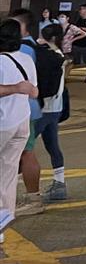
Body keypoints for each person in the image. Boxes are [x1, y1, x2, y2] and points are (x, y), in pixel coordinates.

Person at [0, 19, 38, 237]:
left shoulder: (0, 61)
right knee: (7, 175)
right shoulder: (26, 59)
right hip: (22, 122)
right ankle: (2, 223)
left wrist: (14, 88)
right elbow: (34, 92)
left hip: (3, 123)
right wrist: (20, 88)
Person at [9, 9, 44, 219]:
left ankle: (33, 199)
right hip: (25, 109)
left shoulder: (23, 49)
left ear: (24, 27)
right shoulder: (28, 47)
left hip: (23, 110)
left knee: (26, 153)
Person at [32, 24, 68, 203]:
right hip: (55, 107)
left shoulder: (50, 56)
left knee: (23, 146)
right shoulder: (58, 55)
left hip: (44, 108)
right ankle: (59, 184)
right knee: (52, 145)